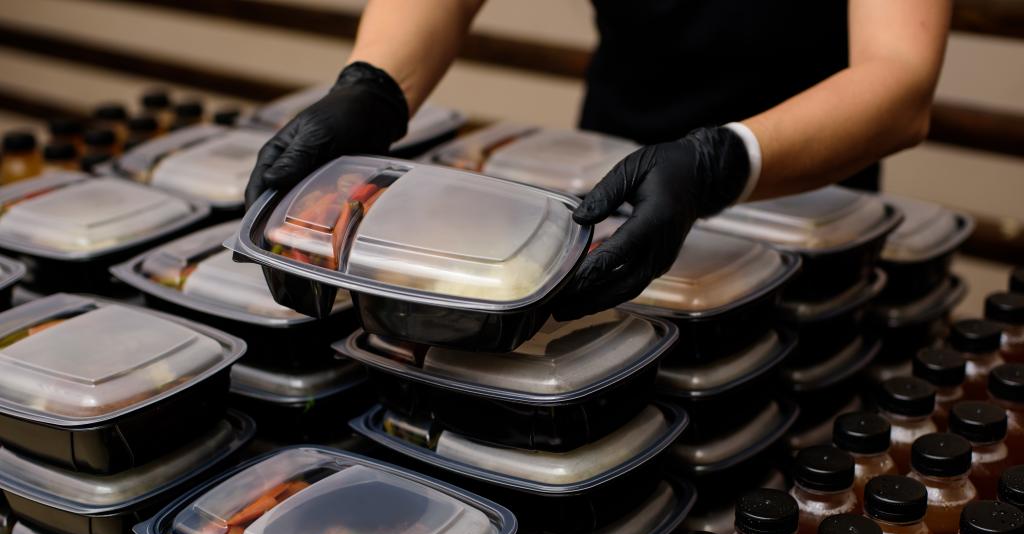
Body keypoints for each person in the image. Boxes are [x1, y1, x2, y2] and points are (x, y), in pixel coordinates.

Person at [245, 0, 951, 320]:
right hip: (609, 189)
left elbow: (899, 80)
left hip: (801, 200)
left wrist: (720, 162)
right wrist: (374, 88)